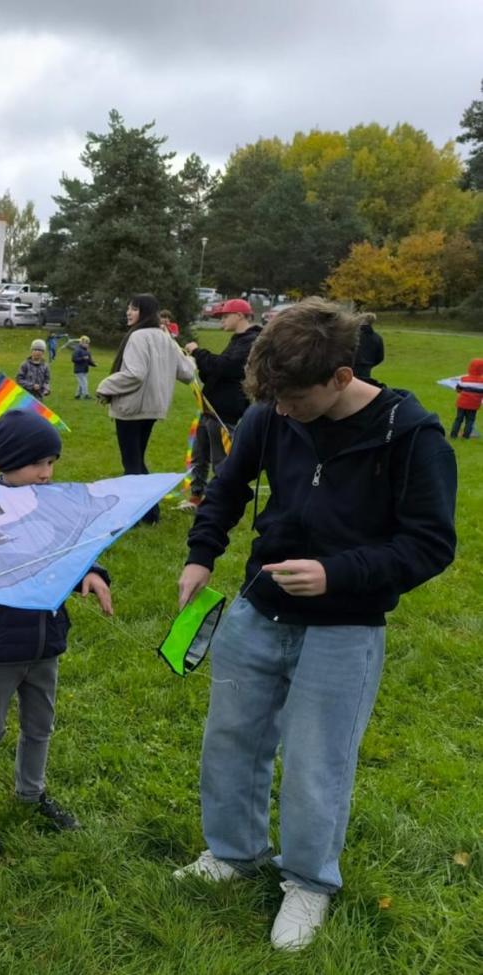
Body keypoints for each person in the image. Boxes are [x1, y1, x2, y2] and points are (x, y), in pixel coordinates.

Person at [174, 298, 457, 952]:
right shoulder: (270, 413)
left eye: (294, 398)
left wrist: (340, 573)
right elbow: (228, 486)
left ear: (339, 375)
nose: (281, 411)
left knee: (314, 762)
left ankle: (307, 881)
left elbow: (431, 543)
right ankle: (233, 851)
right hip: (257, 606)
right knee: (231, 739)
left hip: (345, 624)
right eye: (271, 399)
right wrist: (201, 554)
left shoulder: (412, 433)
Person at [0, 410, 113, 856]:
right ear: (8, 463)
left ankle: (31, 792)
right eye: (37, 464)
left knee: (40, 724)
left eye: (52, 463)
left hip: (46, 640)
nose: (47, 474)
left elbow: (75, 546)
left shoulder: (54, 503)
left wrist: (91, 572)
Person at [95, 294, 195, 525]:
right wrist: (188, 358)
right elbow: (187, 373)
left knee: (132, 464)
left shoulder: (138, 336)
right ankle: (148, 514)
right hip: (152, 409)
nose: (128, 312)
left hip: (132, 408)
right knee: (137, 460)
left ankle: (144, 514)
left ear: (146, 312)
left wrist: (105, 386)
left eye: (134, 309)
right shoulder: (165, 337)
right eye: (129, 308)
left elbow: (134, 374)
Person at [179, 298, 261, 510]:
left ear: (240, 315)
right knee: (198, 458)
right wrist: (200, 365)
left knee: (221, 462)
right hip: (209, 409)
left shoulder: (252, 341)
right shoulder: (237, 340)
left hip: (225, 414)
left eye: (225, 316)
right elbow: (217, 373)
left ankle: (221, 503)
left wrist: (198, 352)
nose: (221, 321)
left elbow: (228, 367)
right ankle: (196, 498)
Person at [449, 357, 483, 439]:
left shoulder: (464, 379)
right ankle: (466, 436)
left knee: (458, 419)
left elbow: (458, 389)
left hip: (462, 404)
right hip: (473, 405)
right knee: (470, 420)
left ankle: (453, 435)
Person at [353, 312, 384, 382]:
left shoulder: (353, 335)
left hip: (352, 366)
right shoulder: (377, 338)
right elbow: (380, 357)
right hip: (367, 368)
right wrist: (369, 364)